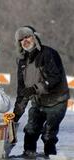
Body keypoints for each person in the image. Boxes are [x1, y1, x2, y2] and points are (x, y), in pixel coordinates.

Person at [13, 26, 70, 158]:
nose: (25, 41)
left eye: (27, 36)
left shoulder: (49, 54)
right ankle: (28, 154)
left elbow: (55, 77)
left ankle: (50, 155)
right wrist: (15, 116)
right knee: (31, 129)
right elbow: (22, 92)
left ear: (35, 37)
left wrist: (34, 88)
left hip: (57, 101)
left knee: (48, 133)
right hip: (38, 103)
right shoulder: (22, 61)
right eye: (21, 39)